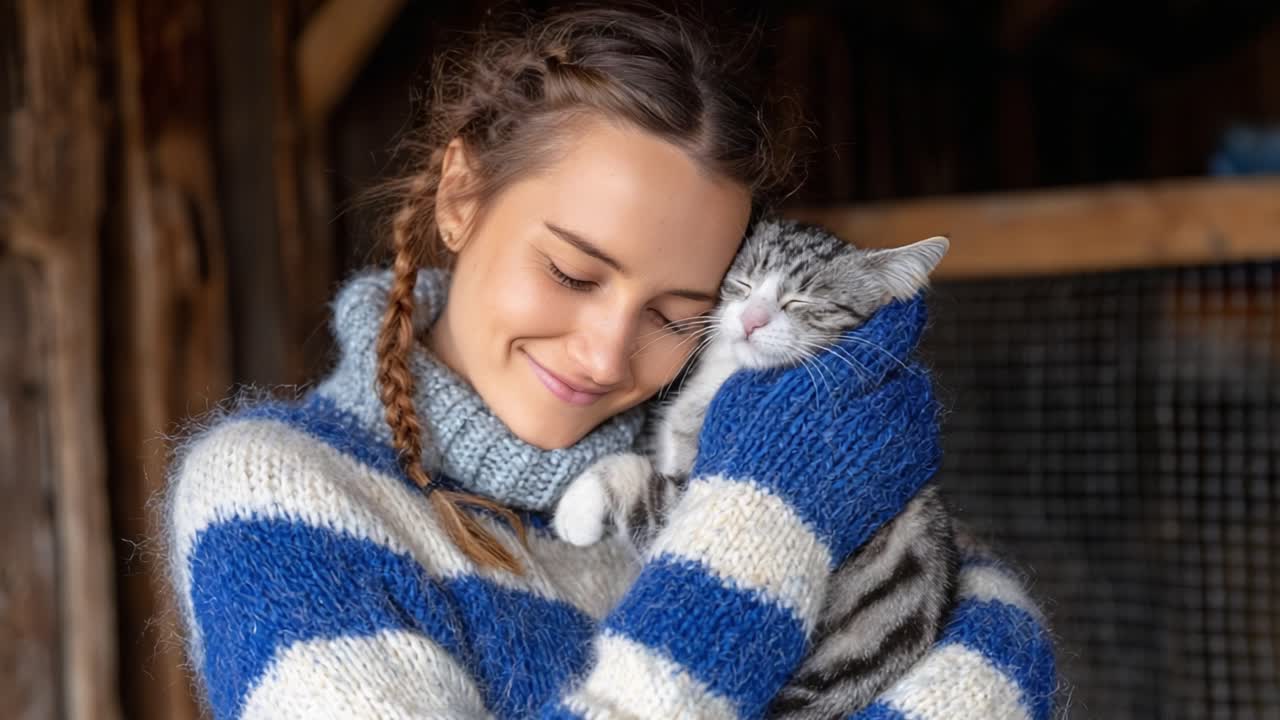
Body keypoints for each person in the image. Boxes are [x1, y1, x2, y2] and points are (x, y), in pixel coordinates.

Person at [165, 7, 1056, 719]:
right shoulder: (274, 496)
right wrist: (759, 534)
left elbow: (992, 632)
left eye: (675, 314)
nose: (603, 354)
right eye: (572, 273)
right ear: (460, 196)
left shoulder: (713, 450)